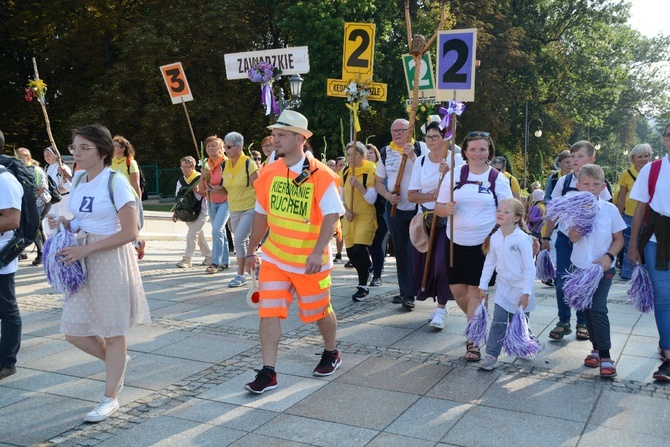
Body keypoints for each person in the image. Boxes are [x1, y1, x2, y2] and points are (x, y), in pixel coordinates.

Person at [48, 124, 151, 422]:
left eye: (83, 148)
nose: (76, 153)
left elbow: (130, 232)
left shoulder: (116, 182)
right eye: (74, 147)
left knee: (114, 330)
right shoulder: (79, 179)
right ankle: (117, 363)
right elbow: (80, 218)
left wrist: (85, 249)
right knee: (74, 331)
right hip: (82, 258)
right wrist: (65, 223)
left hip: (110, 260)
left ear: (102, 152)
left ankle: (110, 397)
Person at [243, 110, 344, 394]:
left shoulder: (320, 175)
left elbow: (332, 215)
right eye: (274, 134)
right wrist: (251, 250)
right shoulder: (268, 172)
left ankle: (331, 351)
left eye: (281, 135)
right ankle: (268, 371)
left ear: (300, 138)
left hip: (310, 261)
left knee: (319, 311)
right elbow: (261, 214)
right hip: (275, 257)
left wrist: (318, 251)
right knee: (268, 312)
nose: (275, 139)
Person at [435, 131, 513, 361]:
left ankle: (474, 340)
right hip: (454, 243)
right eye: (473, 149)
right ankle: (477, 321)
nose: (478, 153)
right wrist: (445, 209)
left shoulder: (498, 178)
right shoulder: (454, 175)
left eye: (482, 149)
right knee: (458, 292)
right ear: (465, 151)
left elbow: (508, 209)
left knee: (475, 292)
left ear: (489, 151)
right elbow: (438, 207)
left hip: (484, 244)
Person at [542, 141, 611, 342]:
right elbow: (553, 211)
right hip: (565, 238)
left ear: (591, 159)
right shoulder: (563, 182)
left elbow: (606, 209)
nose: (574, 160)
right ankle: (564, 320)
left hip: (588, 241)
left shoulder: (597, 182)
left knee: (583, 280)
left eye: (580, 156)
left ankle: (583, 322)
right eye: (572, 156)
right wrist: (546, 237)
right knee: (562, 279)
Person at [567, 164, 625, 376]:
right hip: (581, 267)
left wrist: (609, 256)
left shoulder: (610, 211)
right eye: (586, 184)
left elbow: (619, 240)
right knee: (586, 308)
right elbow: (573, 237)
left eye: (596, 184)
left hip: (604, 268)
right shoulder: (572, 210)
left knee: (598, 307)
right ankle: (595, 348)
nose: (591, 188)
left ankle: (606, 354)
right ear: (578, 185)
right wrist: (584, 217)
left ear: (603, 186)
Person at [408, 121, 462, 328]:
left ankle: (441, 309)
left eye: (435, 136)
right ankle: (440, 303)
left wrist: (449, 175)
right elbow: (411, 195)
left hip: (448, 219)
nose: (431, 141)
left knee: (441, 263)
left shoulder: (455, 159)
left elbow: (463, 187)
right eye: (428, 137)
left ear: (446, 138)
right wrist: (431, 195)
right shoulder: (421, 162)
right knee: (426, 266)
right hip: (427, 219)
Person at [628, 122, 670, 381]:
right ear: (664, 140)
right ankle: (668, 355)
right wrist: (632, 245)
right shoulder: (653, 170)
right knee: (664, 297)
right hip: (657, 238)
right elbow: (640, 209)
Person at [375, 118, 428, 309]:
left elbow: (429, 172)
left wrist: (413, 156)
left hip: (418, 207)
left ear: (409, 131)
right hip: (396, 208)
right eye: (393, 130)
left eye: (401, 130)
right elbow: (378, 181)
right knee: (400, 250)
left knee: (413, 249)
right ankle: (405, 292)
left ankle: (414, 289)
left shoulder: (421, 148)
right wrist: (388, 196)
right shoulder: (385, 152)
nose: (396, 134)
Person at [478, 198, 536, 370]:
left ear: (516, 218)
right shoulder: (495, 238)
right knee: (499, 321)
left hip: (521, 289)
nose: (500, 214)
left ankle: (526, 343)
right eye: (499, 210)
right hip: (503, 288)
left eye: (506, 212)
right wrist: (483, 286)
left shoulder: (522, 239)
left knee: (519, 324)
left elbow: (529, 268)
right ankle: (491, 355)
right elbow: (489, 263)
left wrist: (526, 292)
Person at [340, 141, 377, 301]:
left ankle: (363, 286)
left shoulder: (370, 171)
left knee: (358, 250)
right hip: (350, 217)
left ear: (362, 156)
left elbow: (371, 199)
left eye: (353, 154)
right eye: (348, 154)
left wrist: (359, 186)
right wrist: (346, 211)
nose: (349, 158)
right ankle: (366, 269)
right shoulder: (345, 172)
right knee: (350, 253)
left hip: (365, 216)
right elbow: (340, 197)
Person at [221, 132, 259, 287]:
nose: (225, 150)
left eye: (228, 147)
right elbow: (226, 189)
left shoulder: (248, 163)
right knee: (242, 241)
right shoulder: (226, 164)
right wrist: (212, 188)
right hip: (234, 209)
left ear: (239, 147)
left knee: (238, 240)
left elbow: (259, 186)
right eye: (224, 146)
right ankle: (256, 267)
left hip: (250, 208)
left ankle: (240, 275)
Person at [0, 130, 23, 380]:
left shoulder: (4, 180)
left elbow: (12, 219)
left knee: (7, 310)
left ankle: (7, 361)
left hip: (1, 255)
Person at [616, 143, 651, 279]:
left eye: (646, 156)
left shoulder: (652, 171)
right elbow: (621, 197)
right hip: (630, 215)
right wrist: (618, 216)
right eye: (640, 156)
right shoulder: (627, 174)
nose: (643, 159)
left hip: (648, 215)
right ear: (633, 158)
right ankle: (628, 273)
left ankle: (645, 274)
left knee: (646, 246)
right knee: (630, 245)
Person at [172, 156, 211, 268]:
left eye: (187, 167)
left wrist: (199, 191)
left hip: (203, 210)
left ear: (193, 166)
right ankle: (209, 257)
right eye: (182, 167)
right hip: (188, 212)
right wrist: (176, 212)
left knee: (192, 234)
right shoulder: (180, 180)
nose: (184, 170)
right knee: (198, 236)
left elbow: (208, 194)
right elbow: (178, 197)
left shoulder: (201, 177)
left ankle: (187, 259)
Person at [111, 136, 146, 260]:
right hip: (114, 200)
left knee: (128, 227)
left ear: (122, 148)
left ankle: (130, 250)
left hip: (129, 199)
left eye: (115, 146)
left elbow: (136, 184)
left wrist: (138, 203)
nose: (112, 148)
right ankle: (137, 244)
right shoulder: (111, 162)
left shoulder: (130, 162)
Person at [16, 148, 50, 266]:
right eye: (17, 158)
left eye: (21, 158)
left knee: (35, 227)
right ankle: (23, 252)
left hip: (39, 202)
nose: (19, 160)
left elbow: (43, 188)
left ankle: (42, 253)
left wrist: (30, 190)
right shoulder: (19, 171)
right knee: (25, 226)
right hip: (27, 203)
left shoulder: (37, 170)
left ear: (28, 158)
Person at [201, 135, 230, 274]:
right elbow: (202, 186)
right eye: (208, 146)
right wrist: (203, 180)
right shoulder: (206, 165)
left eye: (214, 145)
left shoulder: (226, 163)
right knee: (221, 231)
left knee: (216, 230)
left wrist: (216, 187)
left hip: (226, 200)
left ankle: (215, 262)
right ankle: (225, 261)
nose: (211, 148)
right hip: (211, 201)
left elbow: (229, 184)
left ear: (221, 148)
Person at [543, 150, 572, 267]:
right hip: (556, 214)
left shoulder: (579, 176)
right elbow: (548, 196)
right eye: (566, 162)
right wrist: (554, 206)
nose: (569, 165)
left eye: (571, 162)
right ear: (560, 163)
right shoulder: (554, 178)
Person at [366, 144, 387, 286]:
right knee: (364, 245)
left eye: (371, 153)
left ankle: (377, 275)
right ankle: (370, 267)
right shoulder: (361, 171)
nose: (368, 155)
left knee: (376, 243)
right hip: (365, 213)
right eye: (365, 153)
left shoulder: (381, 171)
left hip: (381, 213)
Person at [43, 145, 73, 220]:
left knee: (65, 224)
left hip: (64, 200)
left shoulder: (62, 168)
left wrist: (54, 192)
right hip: (53, 201)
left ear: (55, 155)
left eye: (48, 155)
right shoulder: (47, 168)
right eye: (45, 156)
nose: (46, 157)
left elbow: (68, 187)